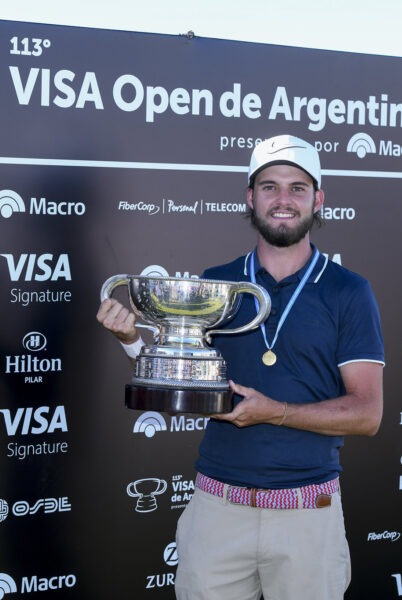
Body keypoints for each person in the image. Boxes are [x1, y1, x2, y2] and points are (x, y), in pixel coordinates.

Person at [97, 134, 384, 599]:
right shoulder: (218, 284)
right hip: (217, 510)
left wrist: (275, 411)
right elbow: (188, 379)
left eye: (297, 187)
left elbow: (367, 414)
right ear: (250, 197)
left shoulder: (348, 291)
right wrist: (133, 342)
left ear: (318, 199)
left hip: (307, 515)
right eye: (269, 187)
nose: (283, 200)